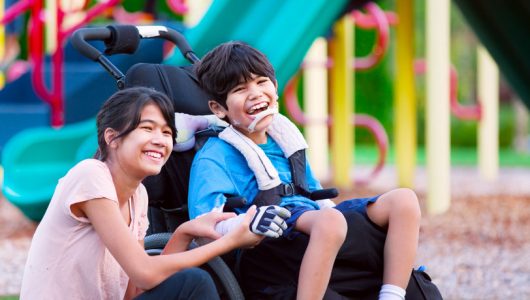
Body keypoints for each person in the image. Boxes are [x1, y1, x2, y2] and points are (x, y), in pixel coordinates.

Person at [186, 41, 422, 300]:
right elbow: (204, 224)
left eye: (261, 82)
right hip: (267, 238)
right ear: (219, 108)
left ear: (275, 87)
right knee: (331, 222)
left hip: (310, 223)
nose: (255, 93)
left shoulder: (285, 141)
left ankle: (392, 295)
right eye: (241, 89)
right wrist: (244, 223)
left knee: (404, 200)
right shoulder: (215, 156)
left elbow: (314, 194)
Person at [20, 86, 266, 300]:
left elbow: (136, 290)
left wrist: (184, 232)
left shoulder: (138, 196)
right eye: (148, 128)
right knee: (194, 283)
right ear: (112, 138)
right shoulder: (90, 175)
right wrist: (229, 242)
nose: (160, 140)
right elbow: (145, 272)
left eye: (167, 132)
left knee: (187, 285)